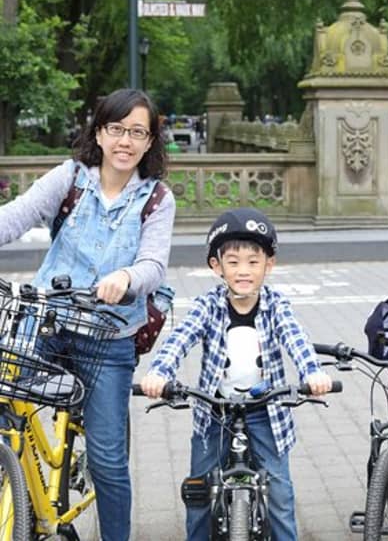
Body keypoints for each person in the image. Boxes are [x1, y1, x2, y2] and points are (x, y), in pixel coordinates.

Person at [0, 88, 176, 541]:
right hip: (48, 322)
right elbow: (18, 216)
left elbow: (153, 265)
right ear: (98, 133)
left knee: (107, 459)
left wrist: (126, 277)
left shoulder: (156, 199)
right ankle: (20, 494)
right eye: (116, 129)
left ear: (150, 141)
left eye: (138, 132)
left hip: (108, 337)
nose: (125, 141)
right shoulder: (71, 178)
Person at [140, 207, 333, 541]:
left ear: (269, 265)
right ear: (217, 266)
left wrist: (313, 372)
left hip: (265, 412)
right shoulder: (208, 305)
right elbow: (180, 338)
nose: (243, 271)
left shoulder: (277, 306)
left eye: (253, 262)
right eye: (233, 262)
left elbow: (296, 338)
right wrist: (159, 372)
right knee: (199, 492)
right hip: (214, 412)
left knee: (281, 496)